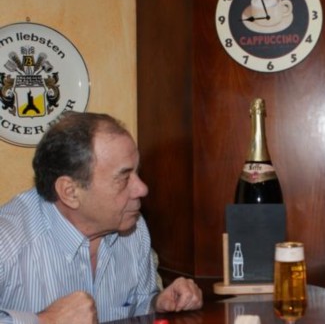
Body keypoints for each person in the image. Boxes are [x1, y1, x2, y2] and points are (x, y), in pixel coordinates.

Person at [0, 112, 203, 323]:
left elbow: (138, 307)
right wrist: (44, 321)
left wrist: (158, 305)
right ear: (70, 192)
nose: (142, 189)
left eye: (137, 172)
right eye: (124, 178)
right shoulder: (6, 243)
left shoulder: (133, 228)